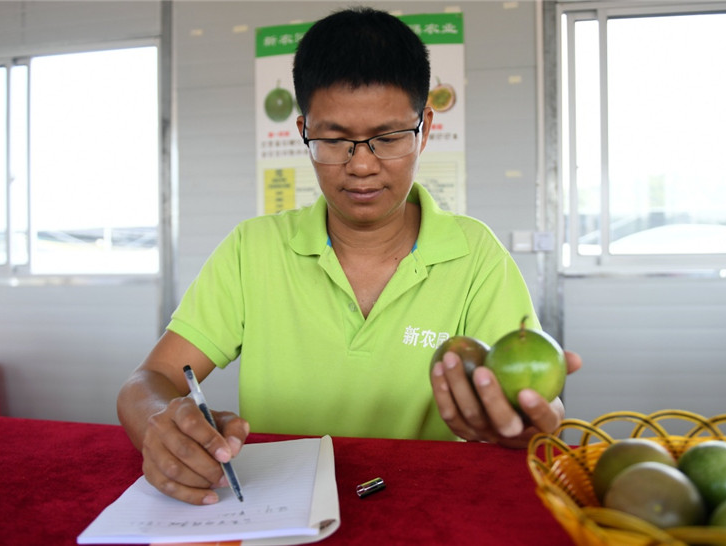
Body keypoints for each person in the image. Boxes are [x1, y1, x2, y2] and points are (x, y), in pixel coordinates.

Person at [117, 6, 581, 506]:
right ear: (303, 131)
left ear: (424, 127)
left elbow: (528, 390)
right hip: (277, 512)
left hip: (420, 512)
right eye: (334, 140)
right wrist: (161, 422)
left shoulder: (475, 256)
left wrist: (531, 420)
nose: (361, 165)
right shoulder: (253, 249)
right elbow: (151, 380)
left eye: (387, 138)